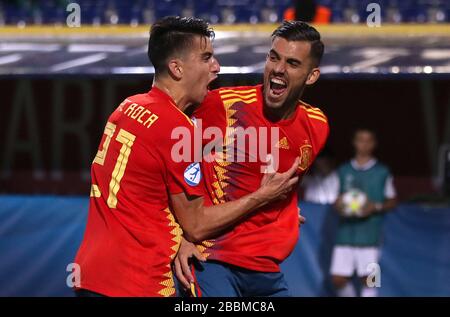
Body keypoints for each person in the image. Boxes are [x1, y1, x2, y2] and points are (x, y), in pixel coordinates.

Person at [73, 16, 299, 297]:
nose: (216, 67)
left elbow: (145, 194)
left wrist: (176, 238)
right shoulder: (178, 128)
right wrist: (263, 197)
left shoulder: (127, 107)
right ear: (177, 68)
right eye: (206, 58)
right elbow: (197, 224)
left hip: (93, 275)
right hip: (138, 282)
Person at [175, 20, 329, 297]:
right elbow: (170, 172)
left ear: (311, 76)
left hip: (266, 271)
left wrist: (283, 209)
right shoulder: (223, 106)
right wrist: (177, 239)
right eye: (273, 57)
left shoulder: (317, 125)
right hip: (212, 262)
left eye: (292, 63)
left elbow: (280, 187)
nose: (278, 69)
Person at [331, 128, 397, 297]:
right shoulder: (343, 170)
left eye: (368, 140)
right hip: (346, 232)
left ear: (374, 144)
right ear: (354, 142)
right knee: (338, 280)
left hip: (370, 234)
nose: (364, 144)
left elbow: (392, 201)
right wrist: (339, 205)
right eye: (360, 140)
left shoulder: (382, 172)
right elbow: (336, 200)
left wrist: (374, 207)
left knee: (370, 279)